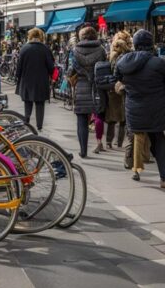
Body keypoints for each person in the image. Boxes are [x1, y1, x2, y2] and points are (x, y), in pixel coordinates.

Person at [114, 29, 165, 187]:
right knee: (158, 140)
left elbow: (118, 78)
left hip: (134, 108)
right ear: (151, 44)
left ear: (135, 44)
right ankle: (163, 177)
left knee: (137, 137)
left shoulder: (123, 62)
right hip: (156, 108)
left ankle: (136, 169)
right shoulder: (158, 63)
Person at [68, 26, 106, 158]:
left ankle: (83, 150)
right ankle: (101, 142)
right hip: (97, 87)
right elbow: (105, 67)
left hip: (81, 88)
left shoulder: (75, 50)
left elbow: (70, 71)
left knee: (82, 121)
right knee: (99, 116)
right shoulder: (101, 50)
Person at [15, 28, 54, 132]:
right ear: (41, 36)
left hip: (27, 81)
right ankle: (39, 126)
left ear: (30, 36)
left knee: (27, 103)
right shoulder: (45, 49)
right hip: (41, 81)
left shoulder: (24, 48)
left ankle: (27, 123)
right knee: (40, 104)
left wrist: (17, 77)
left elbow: (19, 67)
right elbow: (51, 67)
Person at [105, 32, 132, 152]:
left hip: (112, 88)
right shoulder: (129, 56)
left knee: (111, 117)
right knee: (123, 119)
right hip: (124, 88)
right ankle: (119, 142)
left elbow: (110, 73)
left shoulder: (110, 56)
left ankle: (109, 142)